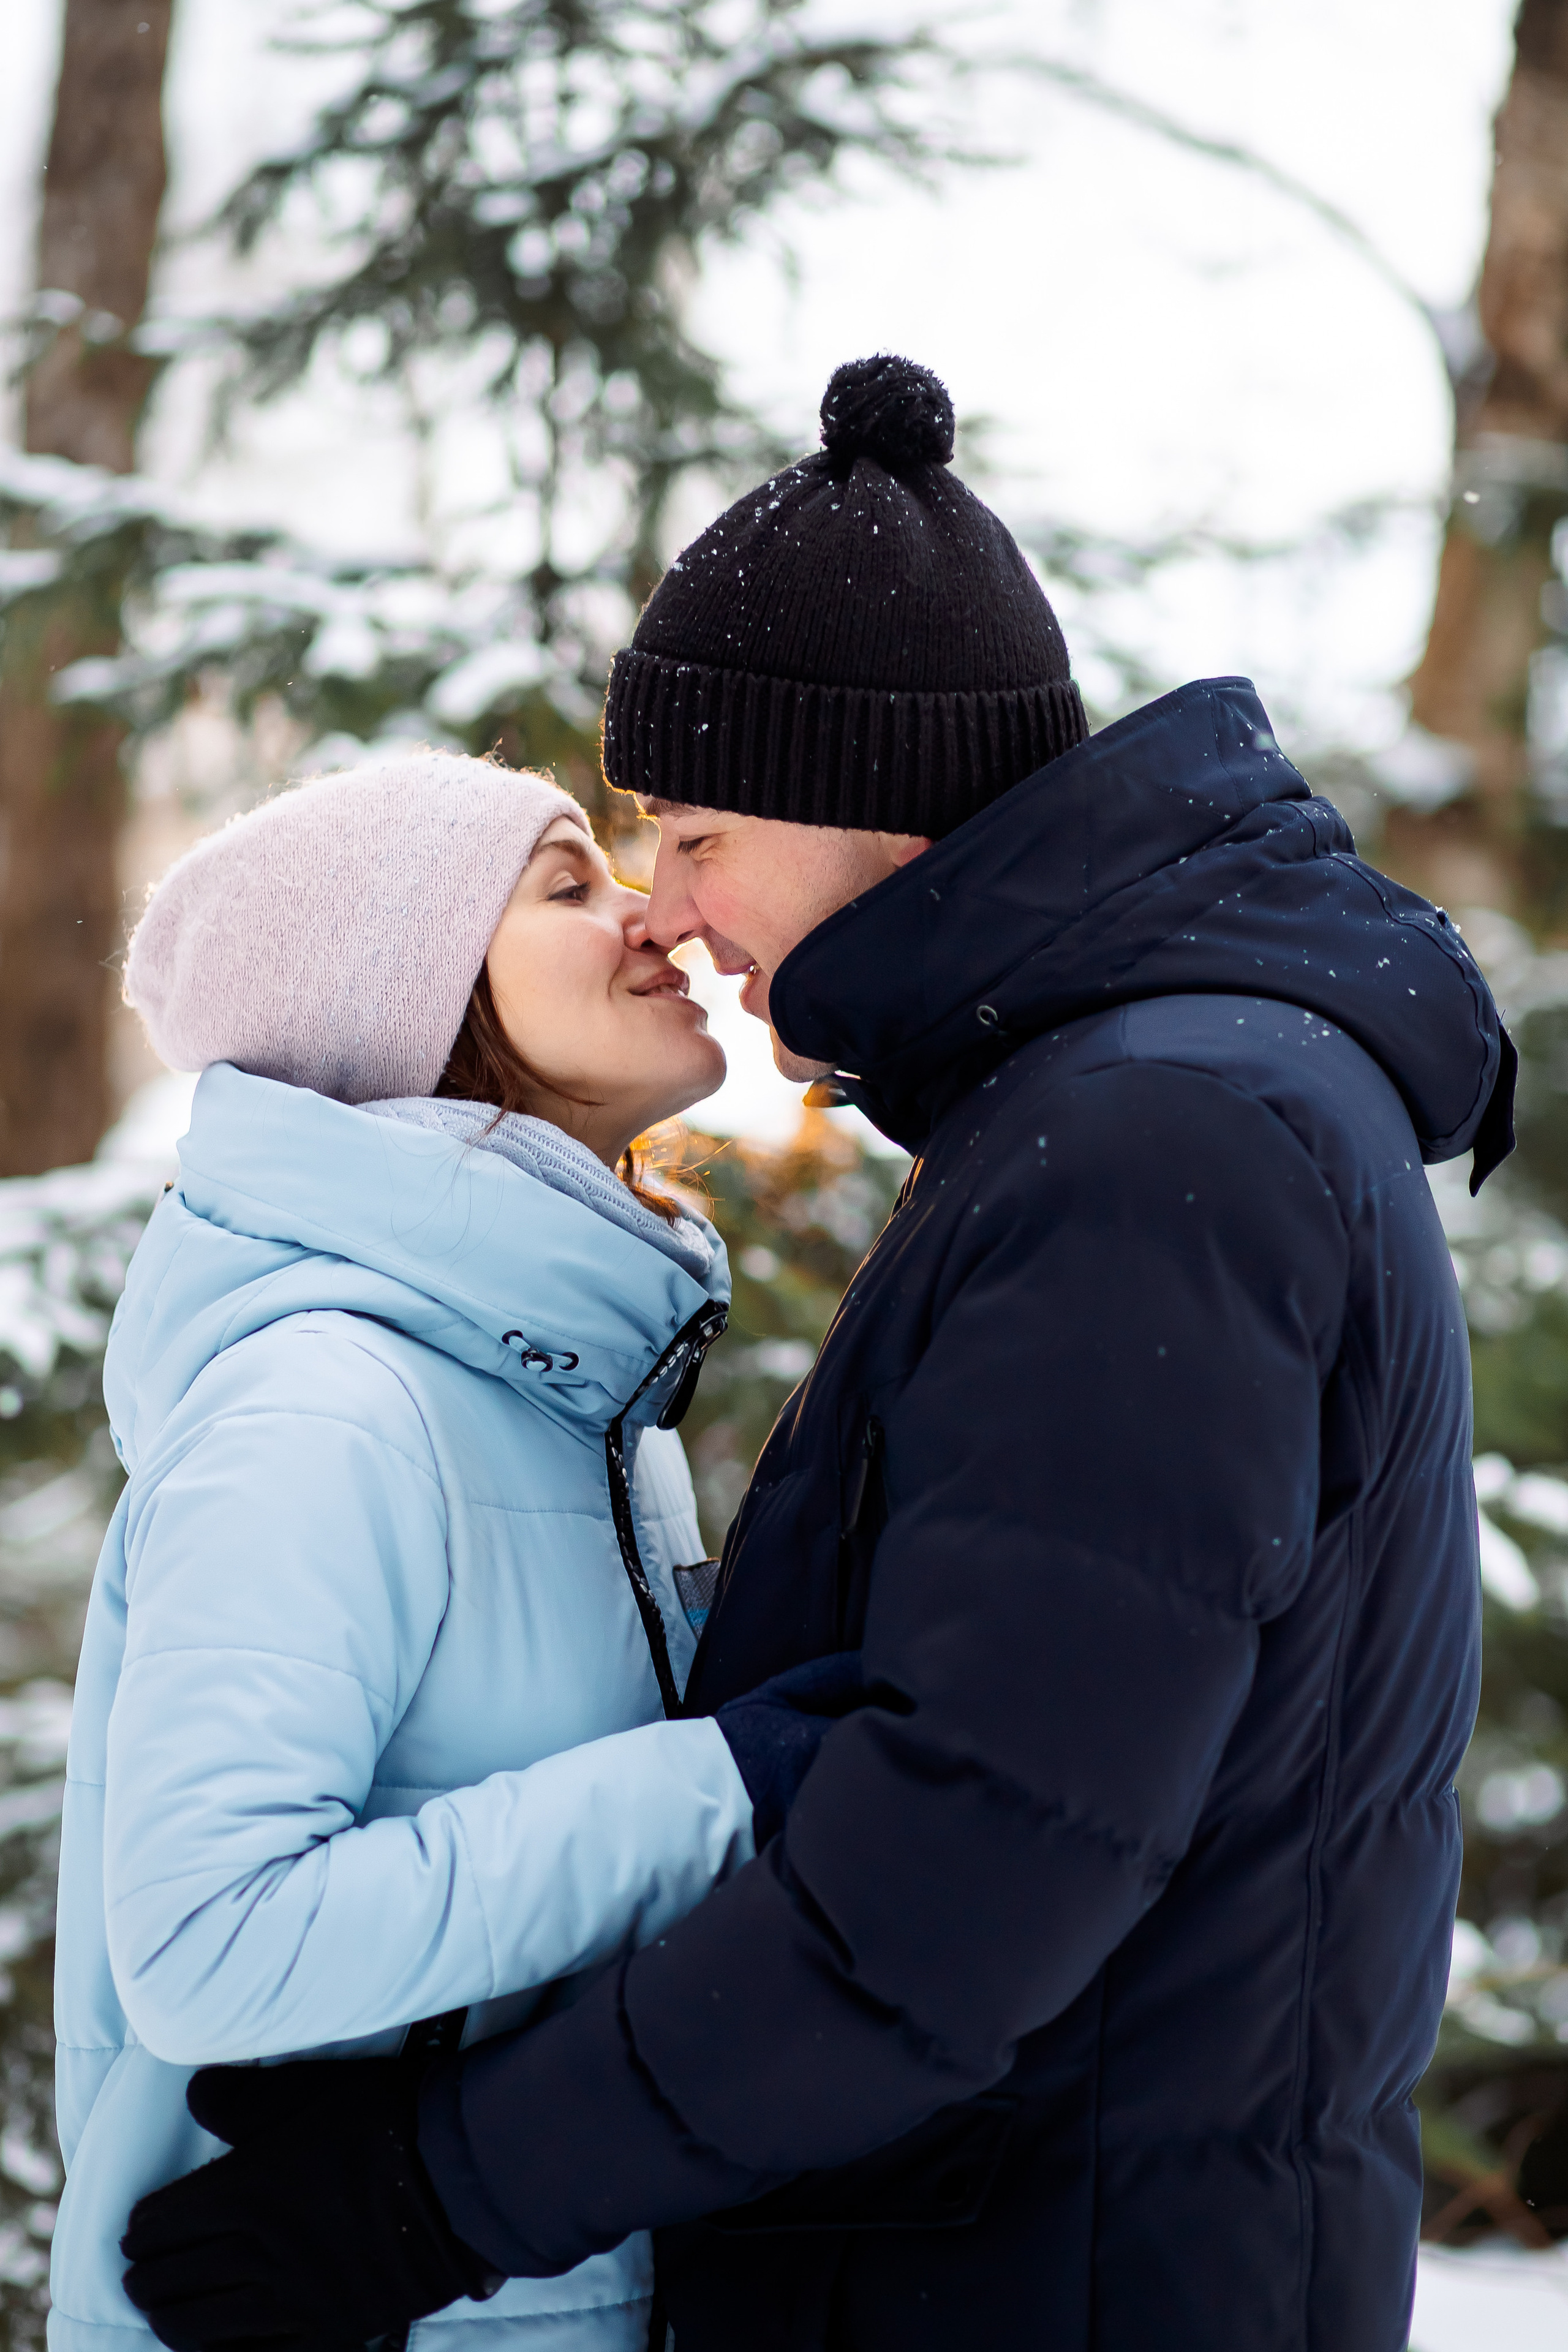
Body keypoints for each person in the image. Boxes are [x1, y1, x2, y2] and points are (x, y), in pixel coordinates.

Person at [122, 356, 1515, 2352]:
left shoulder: (1150, 1135)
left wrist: (440, 2190)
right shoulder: (1130, 1098)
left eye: (689, 836)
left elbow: (960, 1867)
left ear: (853, 795)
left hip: (1058, 2284)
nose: (673, 914)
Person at [53, 751, 855, 2352]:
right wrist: (722, 1788)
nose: (652, 922)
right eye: (568, 885)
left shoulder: (565, 1407)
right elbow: (210, 1950)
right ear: (404, 1005)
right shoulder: (326, 1408)